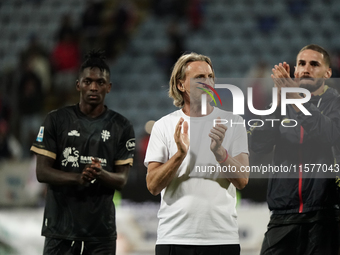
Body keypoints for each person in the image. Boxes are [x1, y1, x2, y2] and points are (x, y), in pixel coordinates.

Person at [30, 50, 135, 255]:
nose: (93, 87)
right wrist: (79, 177)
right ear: (78, 84)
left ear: (109, 87)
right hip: (60, 229)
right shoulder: (56, 120)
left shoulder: (122, 126)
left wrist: (100, 173)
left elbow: (122, 179)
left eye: (100, 82)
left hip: (101, 232)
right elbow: (42, 172)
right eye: (88, 81)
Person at [144, 52, 249, 255]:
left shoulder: (233, 122)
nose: (207, 81)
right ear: (180, 85)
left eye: (210, 76)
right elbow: (153, 185)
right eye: (199, 77)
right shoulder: (163, 126)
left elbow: (242, 180)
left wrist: (220, 153)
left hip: (222, 238)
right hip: (174, 237)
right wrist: (179, 155)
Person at [249, 44, 340, 254]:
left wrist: (295, 98)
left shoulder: (335, 103)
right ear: (295, 71)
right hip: (283, 215)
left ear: (327, 73)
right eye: (301, 64)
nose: (306, 68)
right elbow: (259, 145)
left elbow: (328, 135)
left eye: (314, 64)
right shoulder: (282, 103)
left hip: (323, 217)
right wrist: (279, 100)